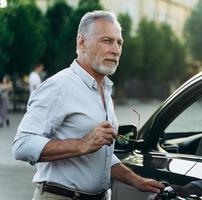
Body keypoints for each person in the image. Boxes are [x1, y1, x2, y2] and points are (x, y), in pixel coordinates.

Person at [12, 10, 164, 200]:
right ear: (82, 42)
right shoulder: (59, 86)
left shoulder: (105, 88)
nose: (116, 50)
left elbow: (101, 156)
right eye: (107, 41)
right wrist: (81, 144)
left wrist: (137, 181)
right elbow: (22, 145)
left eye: (119, 43)